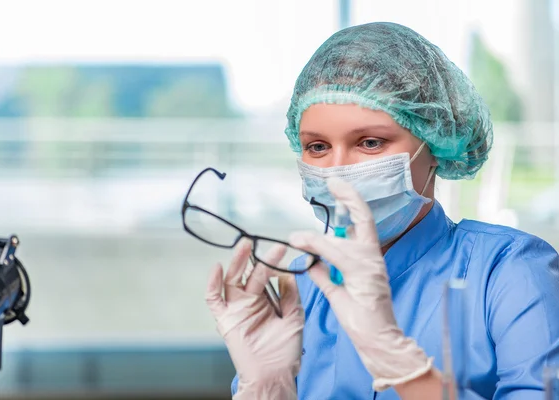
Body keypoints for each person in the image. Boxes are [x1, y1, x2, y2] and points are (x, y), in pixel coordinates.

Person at [204, 22, 559, 399]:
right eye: (318, 147)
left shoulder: (507, 271)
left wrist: (405, 370)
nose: (338, 171)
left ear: (435, 143)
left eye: (370, 142)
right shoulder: (298, 285)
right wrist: (263, 388)